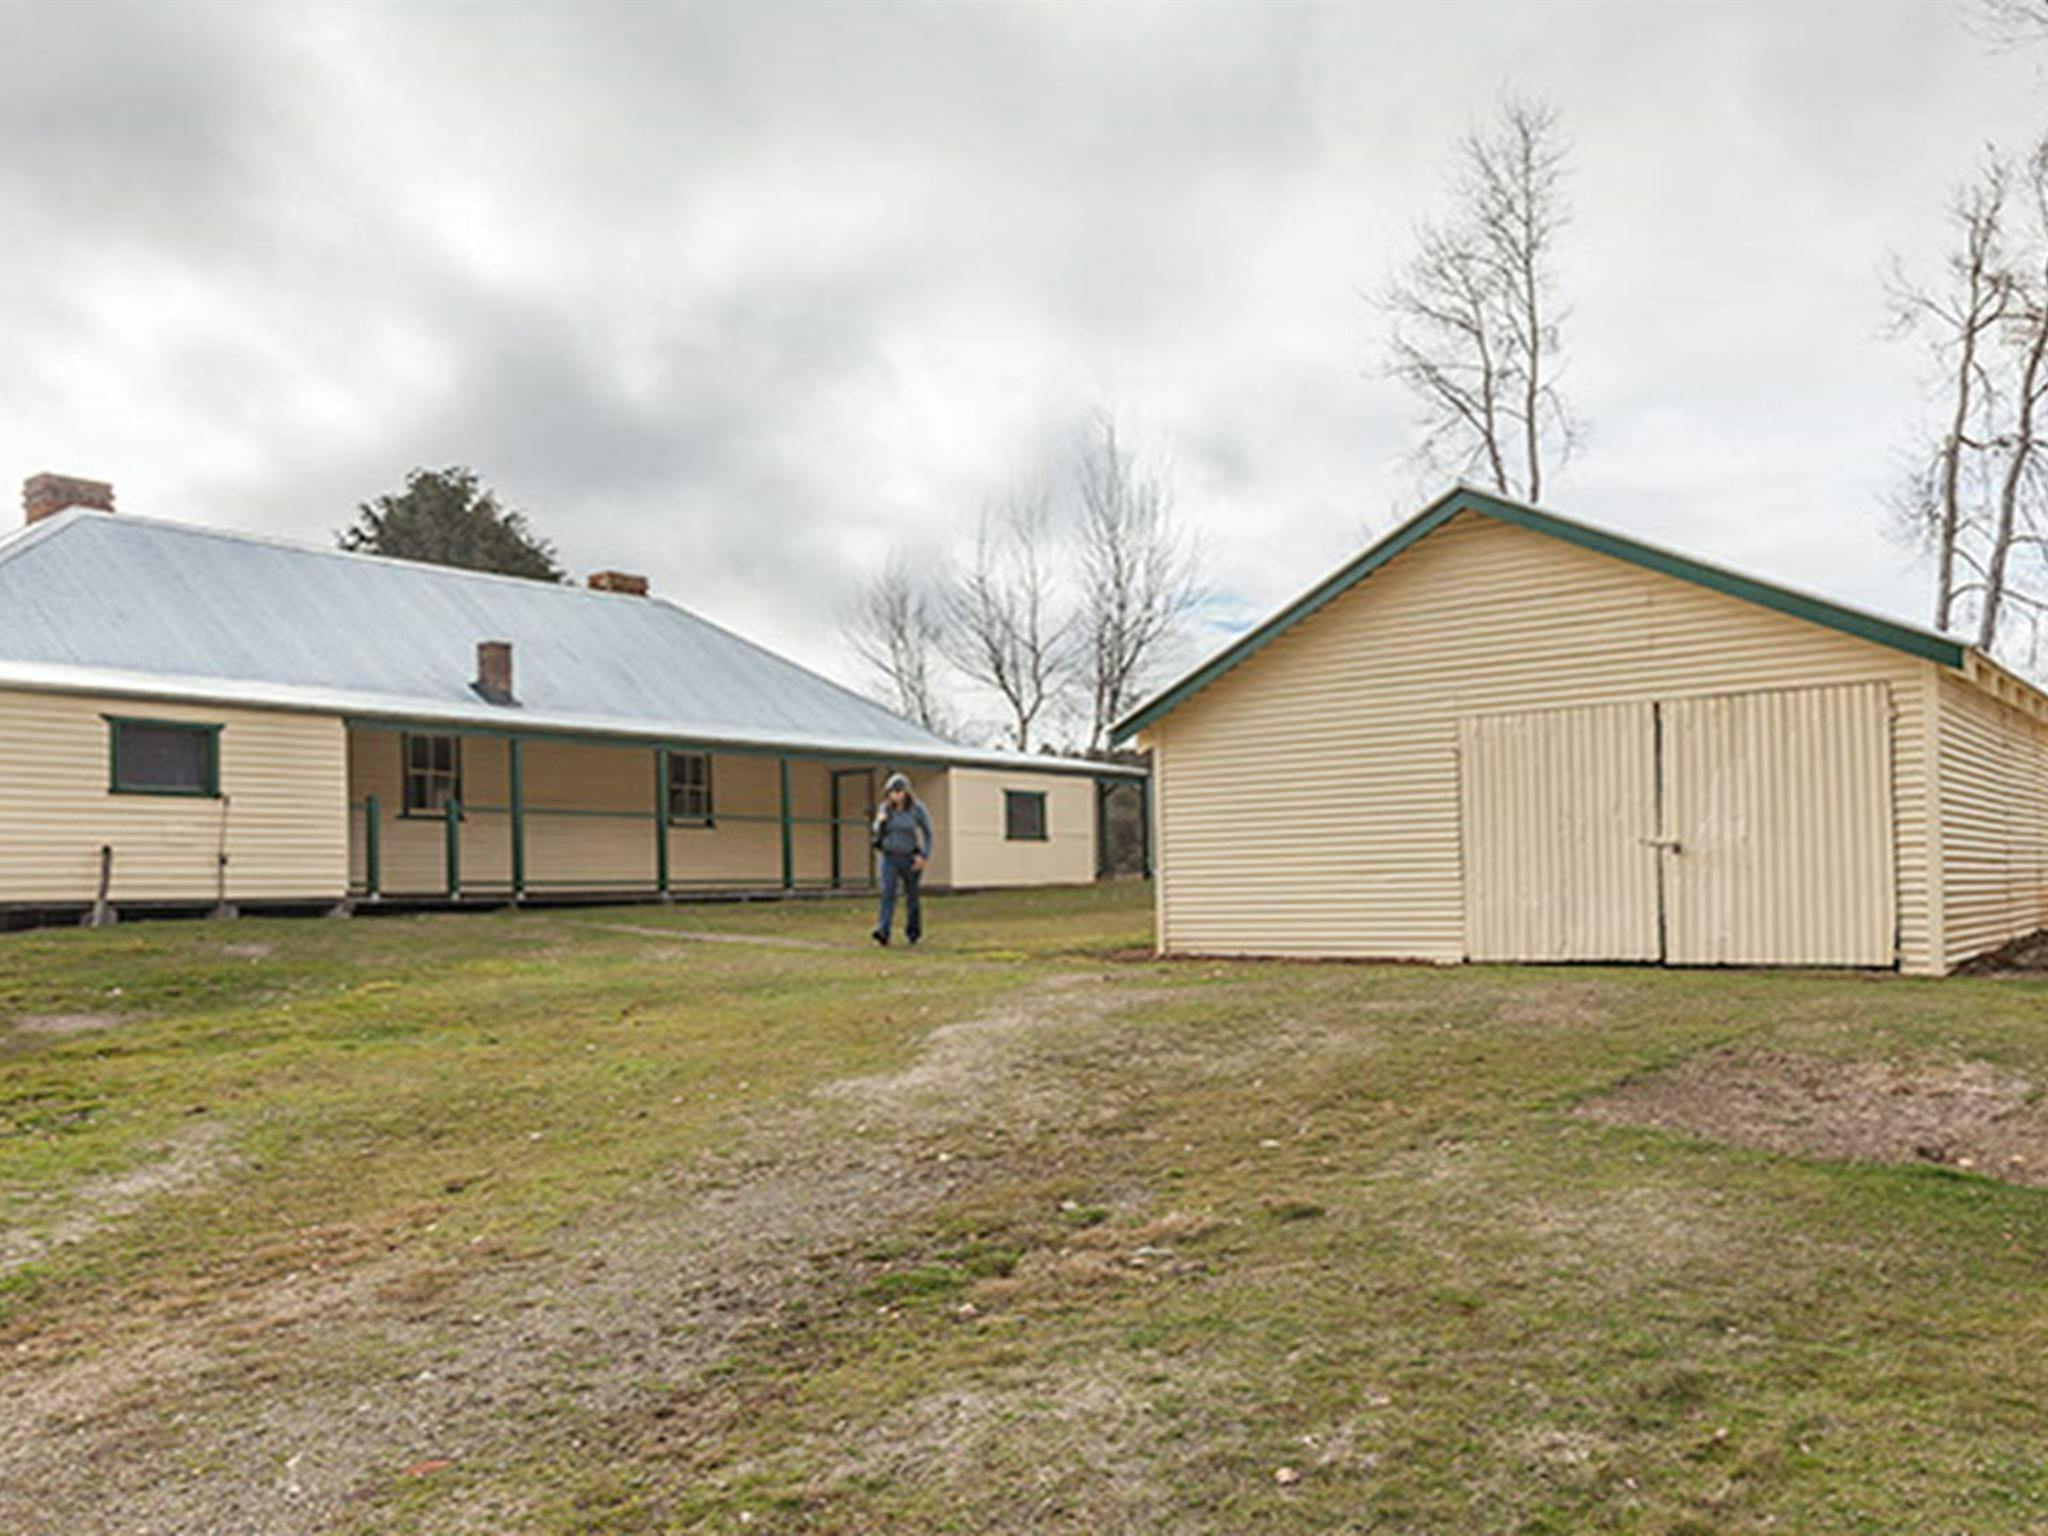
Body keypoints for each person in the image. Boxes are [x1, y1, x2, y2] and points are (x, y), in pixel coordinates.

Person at [870, 771, 933, 946]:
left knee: (912, 896)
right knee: (888, 893)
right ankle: (883, 931)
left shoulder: (917, 809)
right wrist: (880, 822)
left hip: (910, 858)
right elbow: (876, 830)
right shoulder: (885, 808)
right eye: (892, 791)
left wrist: (924, 855)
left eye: (899, 791)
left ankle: (913, 932)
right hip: (890, 857)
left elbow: (928, 833)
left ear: (906, 792)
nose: (896, 794)